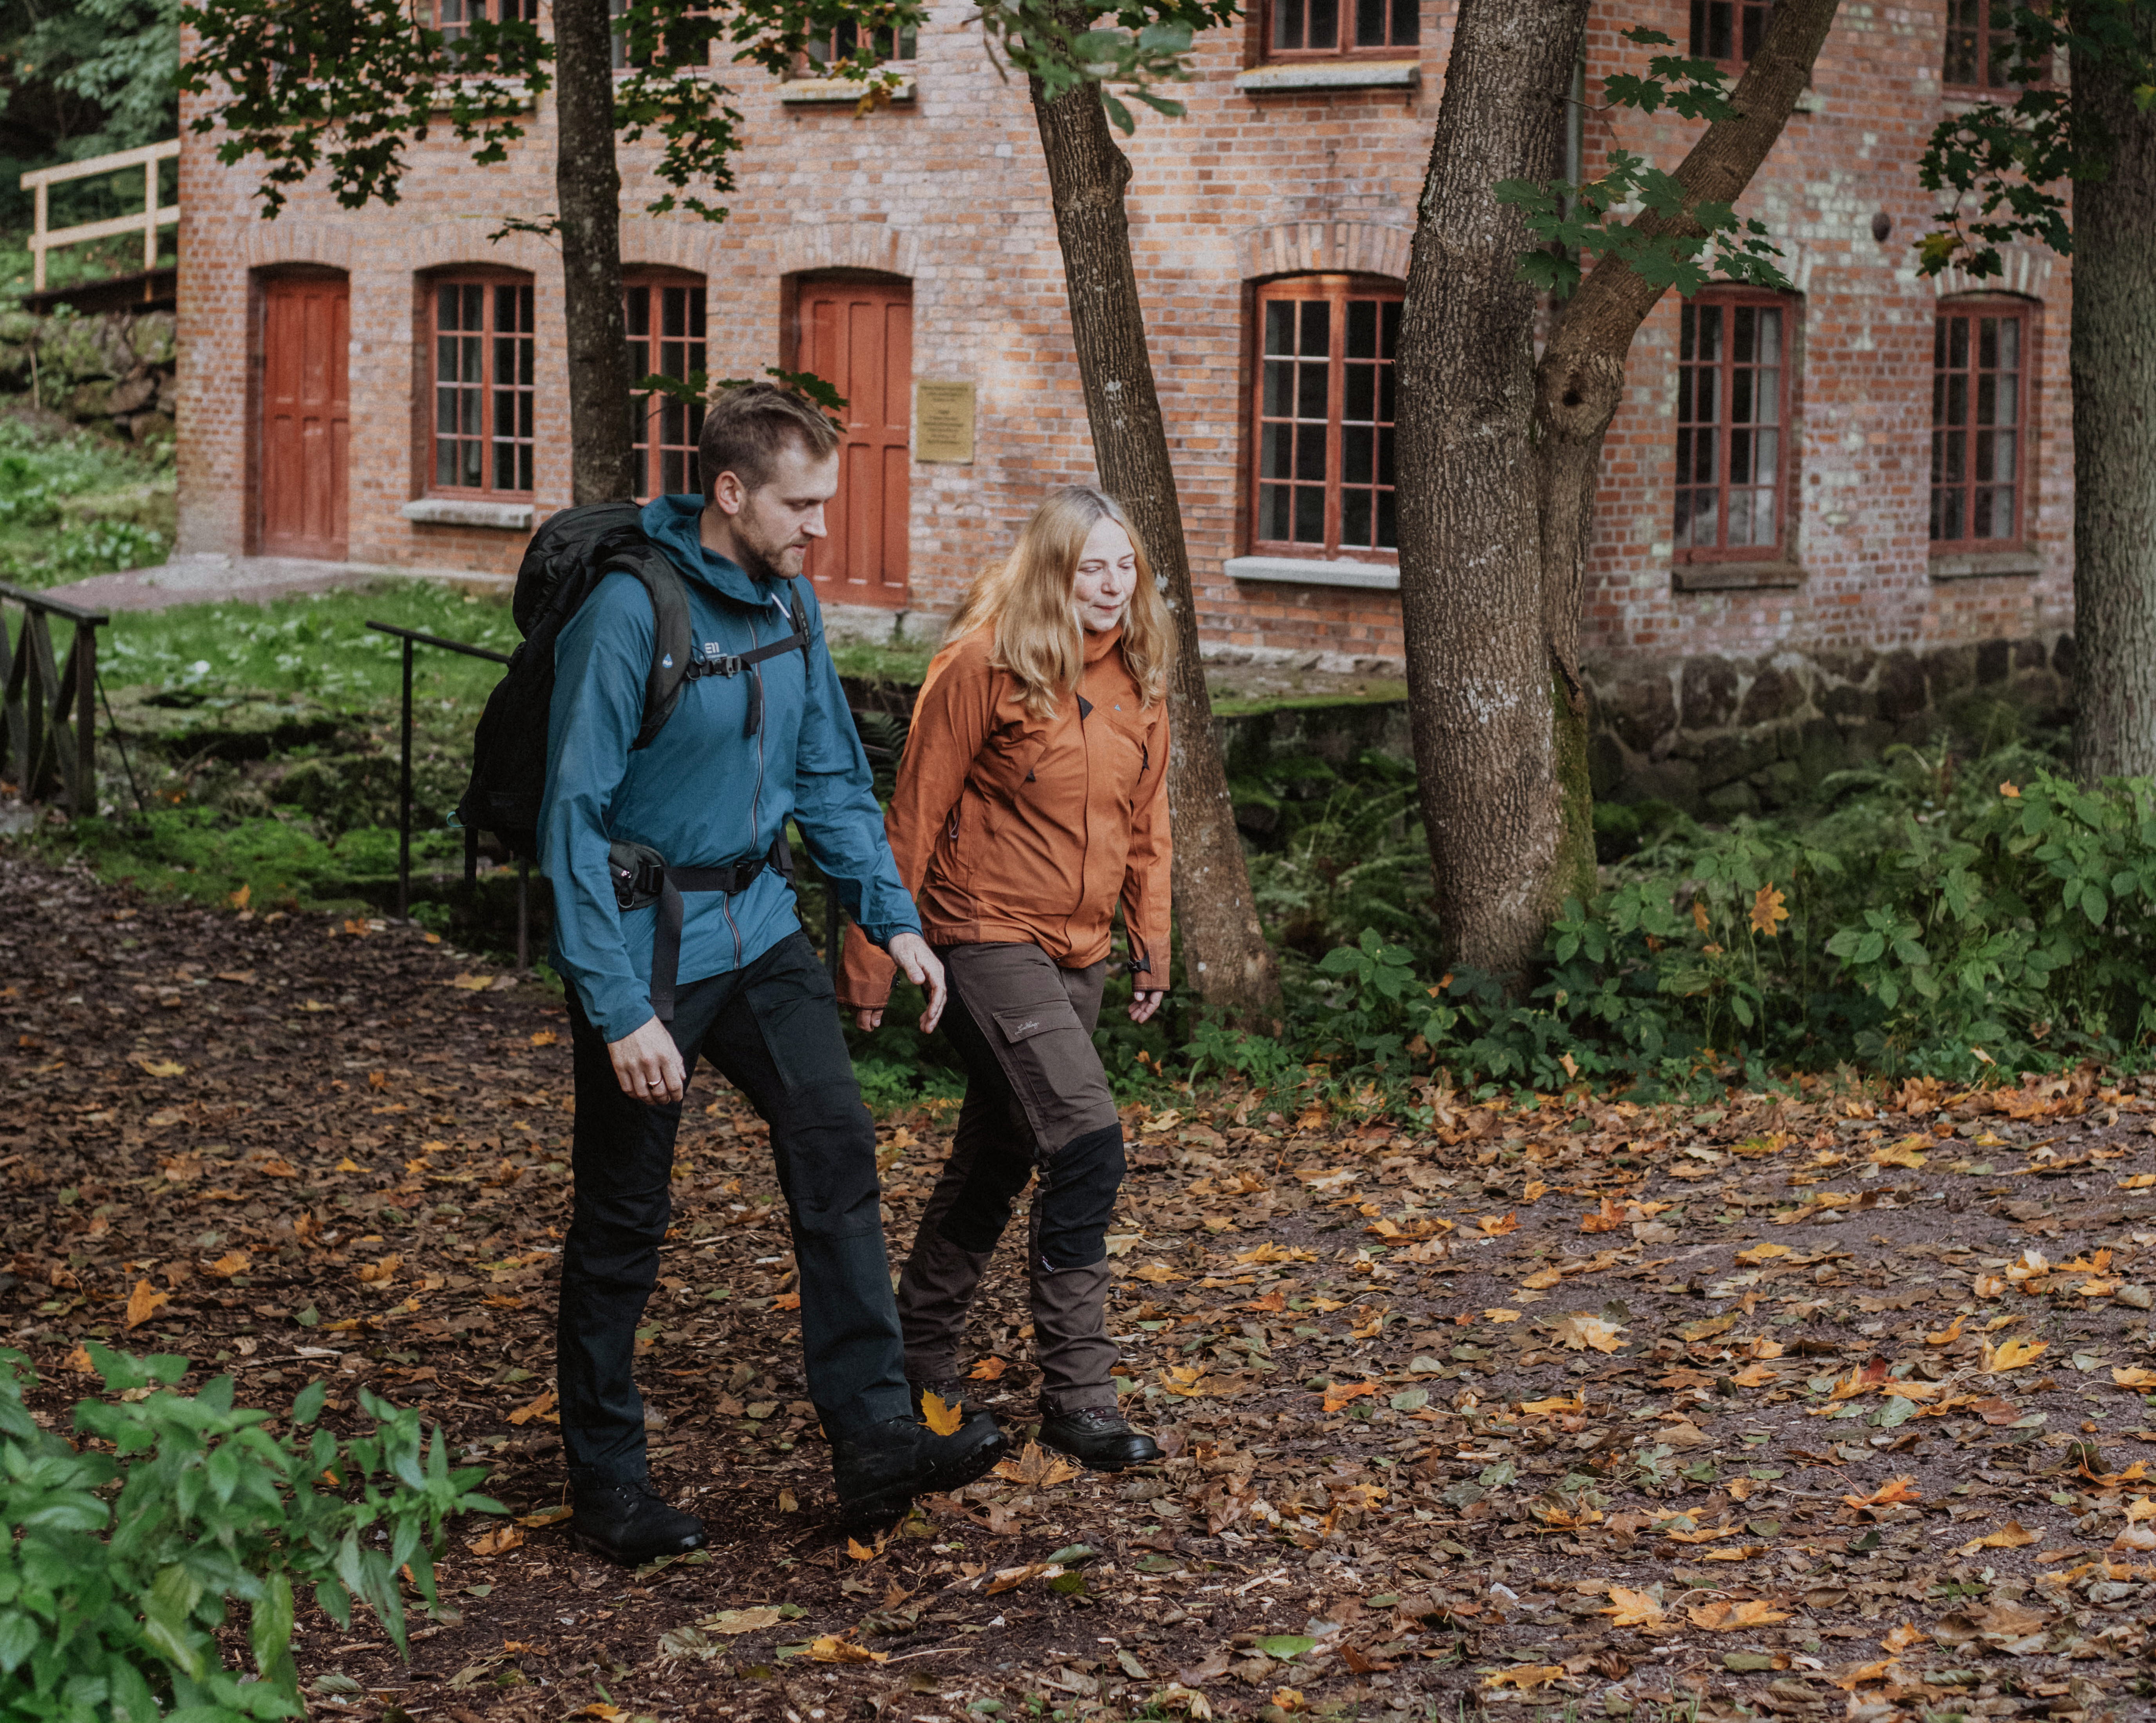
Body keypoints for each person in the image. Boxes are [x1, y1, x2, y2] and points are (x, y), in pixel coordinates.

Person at [540, 383, 1006, 1563]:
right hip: (647, 955)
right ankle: (607, 1484)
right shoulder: (626, 614)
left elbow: (834, 782)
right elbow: (571, 823)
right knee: (622, 1223)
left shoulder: (790, 600)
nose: (820, 528)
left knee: (838, 1150)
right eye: (801, 504)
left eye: (825, 503)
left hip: (760, 930)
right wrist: (616, 1013)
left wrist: (892, 922)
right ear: (732, 492)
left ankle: (875, 1440)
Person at [838, 485, 1171, 1472]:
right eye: (1089, 567)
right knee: (1087, 1144)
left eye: (1124, 567)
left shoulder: (1140, 674)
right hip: (983, 935)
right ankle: (1080, 1395)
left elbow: (1147, 828)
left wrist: (1147, 944)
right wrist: (868, 962)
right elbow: (912, 815)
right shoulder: (982, 663)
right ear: (1050, 570)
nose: (1109, 588)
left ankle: (913, 1357)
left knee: (995, 1160)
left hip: (1081, 951)